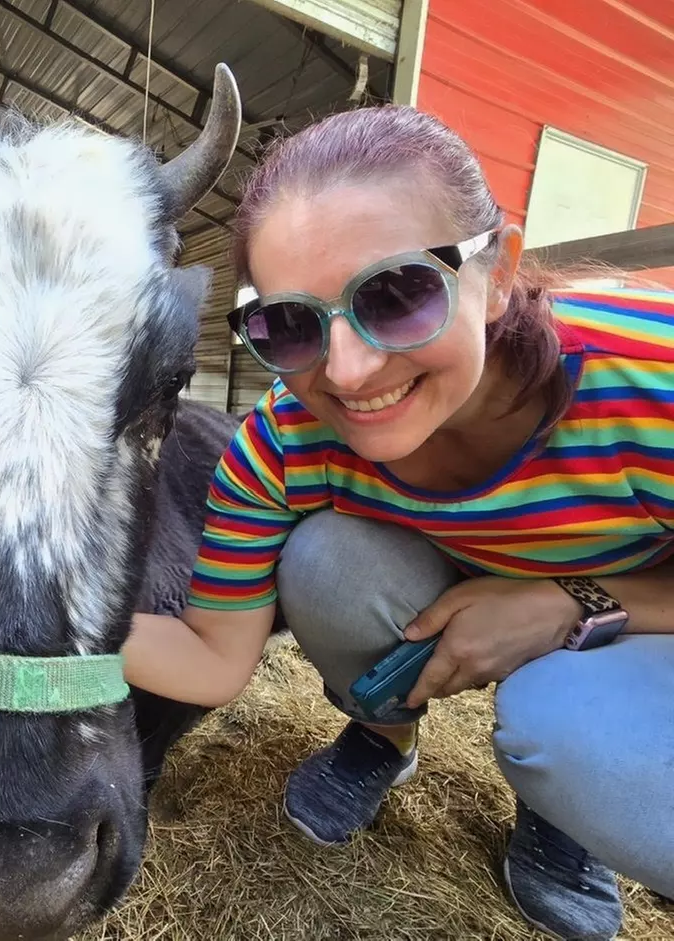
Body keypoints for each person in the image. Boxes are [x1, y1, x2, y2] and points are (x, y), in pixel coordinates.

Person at [121, 104, 674, 940]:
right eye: (289, 324)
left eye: (399, 294)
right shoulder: (279, 439)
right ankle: (384, 736)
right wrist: (14, 628)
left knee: (565, 732)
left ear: (497, 269)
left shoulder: (653, 377)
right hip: (437, 579)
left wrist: (574, 598)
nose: (347, 370)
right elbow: (210, 655)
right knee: (324, 565)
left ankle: (564, 817)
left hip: (631, 620)